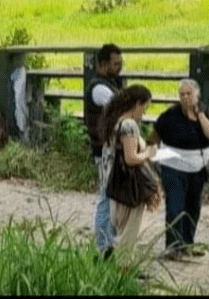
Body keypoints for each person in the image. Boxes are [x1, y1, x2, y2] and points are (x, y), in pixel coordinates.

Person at [149, 78, 209, 260]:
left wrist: (199, 115)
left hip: (197, 167)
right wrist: (151, 157)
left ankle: (187, 243)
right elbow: (155, 136)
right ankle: (173, 247)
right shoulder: (170, 115)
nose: (185, 97)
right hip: (173, 166)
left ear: (197, 95)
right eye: (182, 94)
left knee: (193, 206)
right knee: (175, 207)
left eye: (189, 94)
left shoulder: (204, 111)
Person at [100, 84, 160, 262]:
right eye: (144, 106)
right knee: (128, 236)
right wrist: (149, 153)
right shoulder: (129, 125)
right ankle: (122, 274)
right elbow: (131, 158)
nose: (144, 111)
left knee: (120, 232)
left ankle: (112, 265)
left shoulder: (115, 122)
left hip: (114, 184)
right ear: (137, 104)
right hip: (129, 186)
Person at [85, 43, 124, 257]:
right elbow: (119, 112)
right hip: (105, 151)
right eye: (115, 64)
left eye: (120, 63)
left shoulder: (109, 84)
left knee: (111, 197)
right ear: (102, 64)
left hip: (111, 150)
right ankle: (103, 248)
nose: (119, 67)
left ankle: (109, 244)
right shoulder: (100, 88)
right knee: (105, 198)